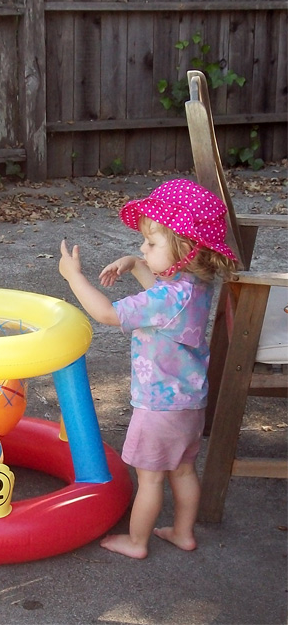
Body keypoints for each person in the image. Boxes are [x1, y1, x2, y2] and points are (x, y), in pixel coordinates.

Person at [59, 178, 238, 559]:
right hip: (190, 404)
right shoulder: (195, 284)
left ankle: (137, 541)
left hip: (157, 410)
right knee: (183, 470)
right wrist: (137, 264)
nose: (143, 246)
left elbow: (106, 313)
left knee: (150, 479)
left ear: (186, 249)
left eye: (151, 244)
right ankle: (183, 533)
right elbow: (162, 293)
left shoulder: (166, 297)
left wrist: (74, 277)